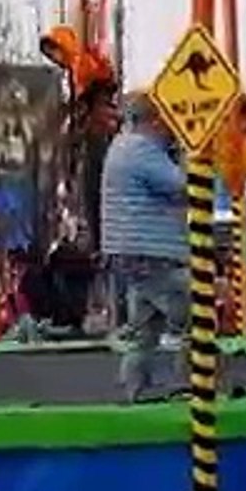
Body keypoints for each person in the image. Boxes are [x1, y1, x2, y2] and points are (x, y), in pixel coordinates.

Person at [101, 93, 188, 402]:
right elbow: (182, 185)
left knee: (146, 325)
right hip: (150, 251)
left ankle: (134, 390)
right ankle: (188, 385)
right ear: (155, 120)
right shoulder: (142, 149)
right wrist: (190, 156)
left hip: (132, 250)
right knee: (196, 312)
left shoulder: (122, 146)